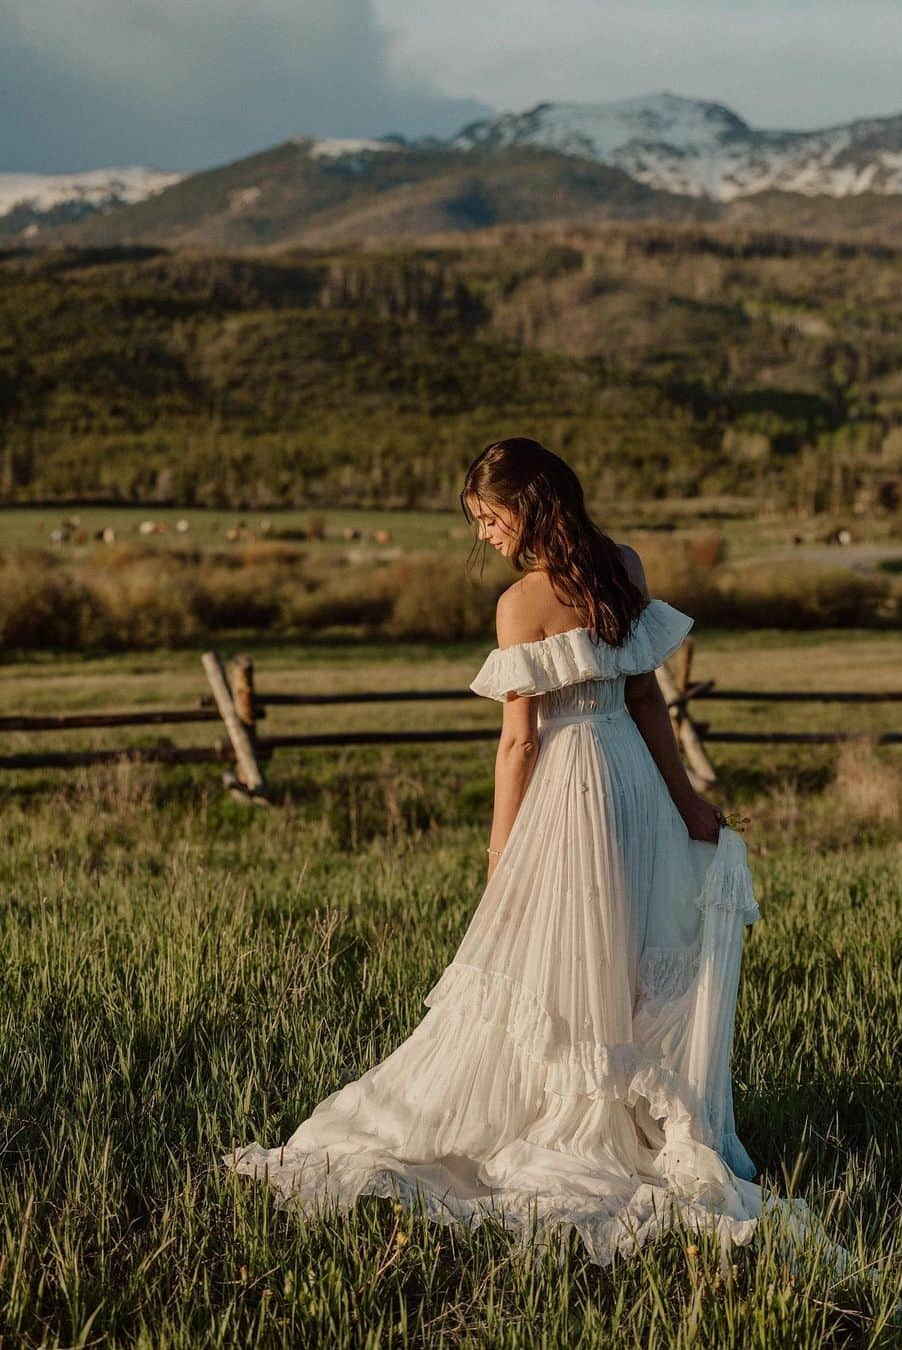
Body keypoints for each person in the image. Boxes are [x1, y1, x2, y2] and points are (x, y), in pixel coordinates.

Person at [220, 437, 849, 1275]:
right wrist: (686, 802)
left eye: (489, 516)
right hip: (633, 780)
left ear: (533, 506)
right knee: (622, 952)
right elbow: (648, 704)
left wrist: (500, 858)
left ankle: (581, 1117)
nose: (483, 533)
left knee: (560, 957)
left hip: (573, 791)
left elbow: (518, 747)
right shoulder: (623, 565)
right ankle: (619, 1112)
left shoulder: (521, 604)